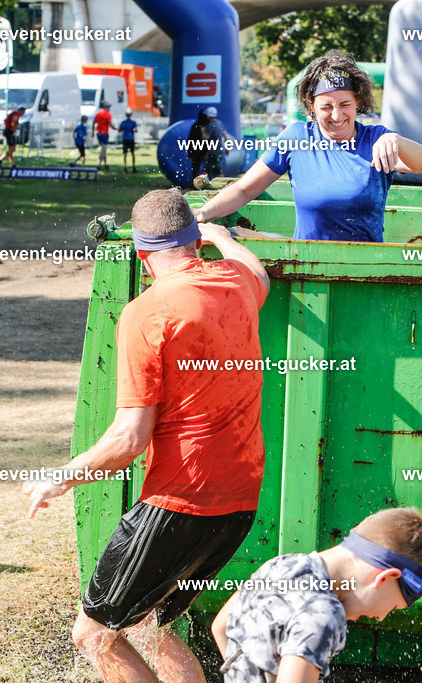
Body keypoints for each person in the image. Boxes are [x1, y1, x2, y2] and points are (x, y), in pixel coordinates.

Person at [23, 189, 271, 683]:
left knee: (94, 634)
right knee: (151, 623)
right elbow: (258, 270)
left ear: (140, 252)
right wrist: (223, 237)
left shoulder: (147, 313)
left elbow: (129, 438)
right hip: (240, 501)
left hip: (179, 502)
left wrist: (63, 477)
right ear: (194, 241)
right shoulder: (236, 282)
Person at [195, 50, 422, 242]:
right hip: (308, 264)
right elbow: (244, 190)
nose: (337, 115)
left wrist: (396, 139)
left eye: (345, 104)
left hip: (367, 267)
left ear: (357, 101)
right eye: (327, 106)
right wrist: (203, 213)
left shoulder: (377, 140)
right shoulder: (295, 139)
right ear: (311, 104)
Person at [212, 508, 422, 682]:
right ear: (384, 578)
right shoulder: (322, 613)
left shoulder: (282, 565)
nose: (381, 617)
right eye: (392, 608)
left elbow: (221, 627)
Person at [203, 106, 232, 179]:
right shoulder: (220, 123)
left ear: (208, 116)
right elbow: (225, 136)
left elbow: (206, 138)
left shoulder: (210, 125)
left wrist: (202, 131)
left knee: (207, 170)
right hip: (220, 151)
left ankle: (203, 186)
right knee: (217, 169)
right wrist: (227, 148)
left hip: (212, 152)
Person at [188, 109, 210, 183]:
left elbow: (190, 140)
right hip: (203, 151)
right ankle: (205, 184)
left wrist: (189, 153)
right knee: (206, 170)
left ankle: (194, 185)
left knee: (195, 170)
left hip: (196, 151)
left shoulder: (195, 126)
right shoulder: (207, 126)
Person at [94, 101, 116, 171]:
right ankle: (98, 164)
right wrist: (117, 129)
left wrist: (92, 132)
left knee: (104, 149)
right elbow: (111, 124)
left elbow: (94, 122)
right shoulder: (107, 115)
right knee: (103, 149)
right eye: (109, 107)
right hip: (104, 133)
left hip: (98, 133)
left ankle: (106, 164)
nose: (109, 108)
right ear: (106, 107)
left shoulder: (98, 113)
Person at [120, 108, 139, 173]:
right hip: (131, 138)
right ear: (131, 115)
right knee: (132, 153)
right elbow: (136, 130)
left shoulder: (123, 122)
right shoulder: (133, 122)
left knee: (125, 154)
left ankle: (125, 167)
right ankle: (134, 167)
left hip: (125, 138)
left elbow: (120, 130)